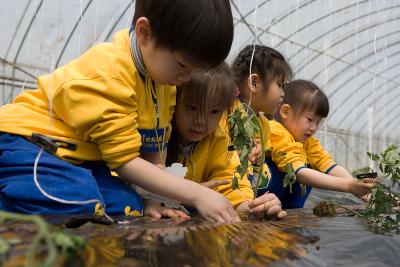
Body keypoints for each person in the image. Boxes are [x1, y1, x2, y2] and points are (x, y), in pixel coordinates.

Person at [0, 0, 240, 223]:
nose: (186, 78)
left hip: (80, 159)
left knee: (127, 207)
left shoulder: (165, 82)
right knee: (76, 202)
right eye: (183, 65)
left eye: (196, 70)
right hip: (32, 144)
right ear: (145, 33)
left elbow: (153, 154)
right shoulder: (109, 74)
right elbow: (124, 161)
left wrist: (152, 199)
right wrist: (196, 194)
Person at [166, 63, 287, 219]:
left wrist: (250, 207)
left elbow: (228, 179)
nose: (201, 121)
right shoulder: (162, 134)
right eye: (193, 108)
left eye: (214, 111)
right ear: (174, 100)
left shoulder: (218, 137)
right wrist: (190, 193)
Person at [265, 79, 377, 208]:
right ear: (286, 112)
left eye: (318, 122)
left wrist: (363, 190)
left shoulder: (308, 143)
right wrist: (349, 186)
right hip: (261, 209)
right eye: (310, 119)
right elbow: (299, 173)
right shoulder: (274, 131)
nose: (314, 127)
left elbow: (330, 166)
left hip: (285, 211)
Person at [230, 45, 292, 195]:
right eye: (279, 85)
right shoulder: (229, 111)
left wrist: (258, 153)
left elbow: (260, 151)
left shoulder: (263, 123)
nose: (283, 94)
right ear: (254, 83)